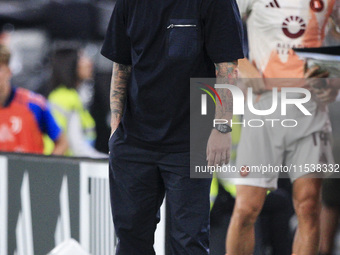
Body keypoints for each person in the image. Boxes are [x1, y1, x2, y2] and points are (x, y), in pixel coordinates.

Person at [101, 0, 244, 253]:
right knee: (131, 240)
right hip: (134, 141)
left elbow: (227, 67)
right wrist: (116, 126)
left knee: (188, 243)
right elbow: (121, 64)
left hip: (191, 140)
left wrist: (222, 127)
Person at [226, 0, 339, 255]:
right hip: (263, 110)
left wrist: (333, 76)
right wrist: (241, 63)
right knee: (246, 208)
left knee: (309, 206)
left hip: (311, 111)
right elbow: (217, 26)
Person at [0, 44, 68, 155]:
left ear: (9, 71)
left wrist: (46, 169)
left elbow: (62, 143)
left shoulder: (33, 104)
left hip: (29, 171)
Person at [47, 46, 106, 158]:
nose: (89, 62)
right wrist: (106, 161)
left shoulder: (72, 96)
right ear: (70, 65)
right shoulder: (65, 99)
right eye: (81, 58)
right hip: (63, 165)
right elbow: (76, 146)